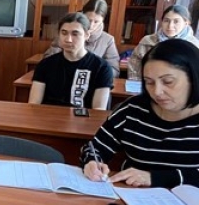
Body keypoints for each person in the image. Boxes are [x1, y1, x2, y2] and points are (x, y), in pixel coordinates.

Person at [81, 39, 199, 188]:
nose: (157, 92)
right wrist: (92, 162)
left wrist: (155, 178)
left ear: (194, 77)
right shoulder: (133, 109)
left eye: (168, 82)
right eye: (149, 82)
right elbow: (95, 147)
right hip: (131, 195)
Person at [29, 12, 113, 110]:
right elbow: (34, 104)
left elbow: (99, 110)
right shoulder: (45, 65)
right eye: (64, 33)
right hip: (48, 117)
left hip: (83, 118)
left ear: (87, 35)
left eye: (75, 34)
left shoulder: (102, 68)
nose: (68, 39)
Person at [43, 0, 120, 77]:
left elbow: (114, 70)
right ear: (82, 15)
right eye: (88, 20)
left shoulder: (108, 40)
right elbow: (48, 60)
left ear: (102, 21)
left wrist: (92, 73)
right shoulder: (67, 33)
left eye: (96, 22)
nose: (91, 25)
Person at [128, 4, 199, 79]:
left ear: (186, 23)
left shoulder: (193, 45)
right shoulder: (148, 41)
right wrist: (138, 83)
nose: (170, 26)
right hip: (150, 83)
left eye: (176, 21)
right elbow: (134, 64)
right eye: (166, 21)